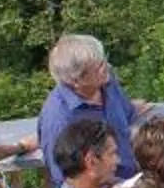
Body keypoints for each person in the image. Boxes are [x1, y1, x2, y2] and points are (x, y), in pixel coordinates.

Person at [40, 33, 151, 174]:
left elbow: (127, 114)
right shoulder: (59, 119)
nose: (107, 67)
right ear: (75, 81)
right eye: (98, 67)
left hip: (134, 176)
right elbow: (64, 178)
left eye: (104, 61)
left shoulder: (106, 82)